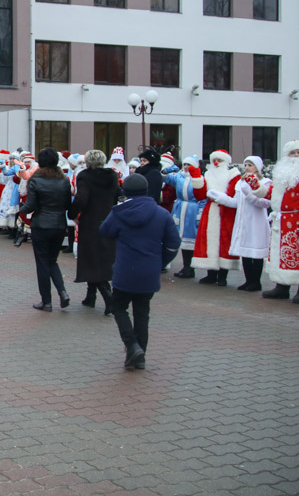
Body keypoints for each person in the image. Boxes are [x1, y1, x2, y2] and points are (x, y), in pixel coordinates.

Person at [99, 174, 181, 370]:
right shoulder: (162, 214)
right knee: (142, 314)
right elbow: (173, 243)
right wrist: (161, 261)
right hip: (149, 272)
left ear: (125, 191)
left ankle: (132, 346)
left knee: (118, 308)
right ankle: (140, 355)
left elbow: (105, 231)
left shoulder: (119, 212)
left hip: (125, 270)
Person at [258, 140, 299, 303]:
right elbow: (272, 195)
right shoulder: (281, 173)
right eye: (292, 153)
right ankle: (281, 287)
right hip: (281, 220)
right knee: (281, 254)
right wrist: (257, 187)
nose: (296, 156)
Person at [206, 156, 271, 291]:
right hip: (243, 221)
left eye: (250, 165)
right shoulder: (241, 183)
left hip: (256, 222)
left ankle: (256, 282)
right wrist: (220, 197)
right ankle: (248, 281)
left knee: (256, 253)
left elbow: (265, 203)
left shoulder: (265, 182)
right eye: (245, 165)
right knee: (245, 252)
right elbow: (235, 203)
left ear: (257, 168)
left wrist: (250, 194)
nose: (247, 168)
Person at [20, 147, 72, 312]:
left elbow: (31, 206)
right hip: (58, 224)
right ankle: (62, 292)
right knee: (52, 261)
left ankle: (46, 301)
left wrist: (21, 209)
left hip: (41, 225)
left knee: (42, 263)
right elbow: (67, 205)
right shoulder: (64, 181)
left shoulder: (36, 180)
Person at [68, 149, 120, 315]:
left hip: (90, 222)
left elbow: (82, 198)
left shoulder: (85, 176)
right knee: (101, 258)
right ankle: (90, 296)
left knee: (92, 259)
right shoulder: (112, 176)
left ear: (88, 162)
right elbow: (117, 196)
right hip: (109, 220)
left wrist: (72, 213)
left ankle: (109, 298)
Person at [190, 150, 241, 286]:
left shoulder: (233, 175)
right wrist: (197, 179)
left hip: (226, 211)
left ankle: (223, 276)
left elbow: (232, 194)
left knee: (225, 242)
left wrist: (221, 198)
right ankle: (211, 274)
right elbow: (200, 195)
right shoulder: (208, 174)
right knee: (209, 242)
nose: (216, 163)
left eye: (220, 160)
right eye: (214, 160)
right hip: (211, 210)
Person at [163, 155, 203, 279]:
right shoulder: (179, 177)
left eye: (189, 165)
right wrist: (168, 169)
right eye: (185, 164)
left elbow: (203, 198)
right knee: (180, 239)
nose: (186, 167)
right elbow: (163, 177)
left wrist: (199, 215)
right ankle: (186, 267)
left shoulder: (199, 179)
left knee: (190, 239)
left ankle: (190, 268)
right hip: (180, 208)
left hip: (192, 209)